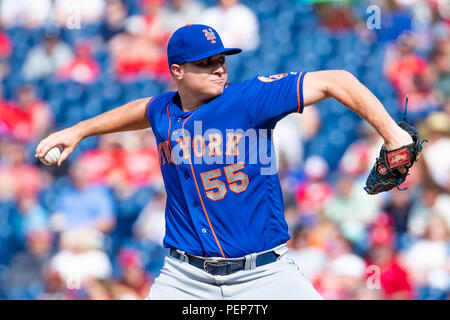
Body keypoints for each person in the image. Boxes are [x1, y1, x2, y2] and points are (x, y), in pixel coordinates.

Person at [36, 24, 414, 300]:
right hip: (185, 277)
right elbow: (141, 110)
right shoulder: (163, 111)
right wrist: (79, 130)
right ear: (178, 72)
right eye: (206, 63)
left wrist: (393, 135)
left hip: (263, 274)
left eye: (221, 60)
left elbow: (339, 80)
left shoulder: (249, 99)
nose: (219, 67)